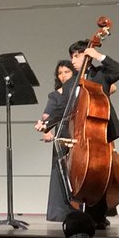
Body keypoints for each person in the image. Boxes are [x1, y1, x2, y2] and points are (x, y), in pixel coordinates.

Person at [44, 40, 119, 230]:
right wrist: (46, 125)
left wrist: (98, 56)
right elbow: (62, 108)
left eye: (76, 55)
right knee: (85, 172)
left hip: (101, 131)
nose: (73, 60)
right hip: (82, 135)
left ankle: (99, 215)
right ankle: (82, 215)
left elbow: (118, 70)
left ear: (86, 55)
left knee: (102, 174)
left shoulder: (101, 75)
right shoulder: (72, 82)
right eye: (71, 56)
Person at [35, 59, 77, 222]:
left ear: (73, 73)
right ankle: (60, 211)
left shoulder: (78, 90)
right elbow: (47, 115)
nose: (63, 75)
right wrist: (47, 130)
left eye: (66, 72)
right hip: (63, 134)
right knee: (60, 173)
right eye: (60, 73)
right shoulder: (55, 95)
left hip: (80, 133)